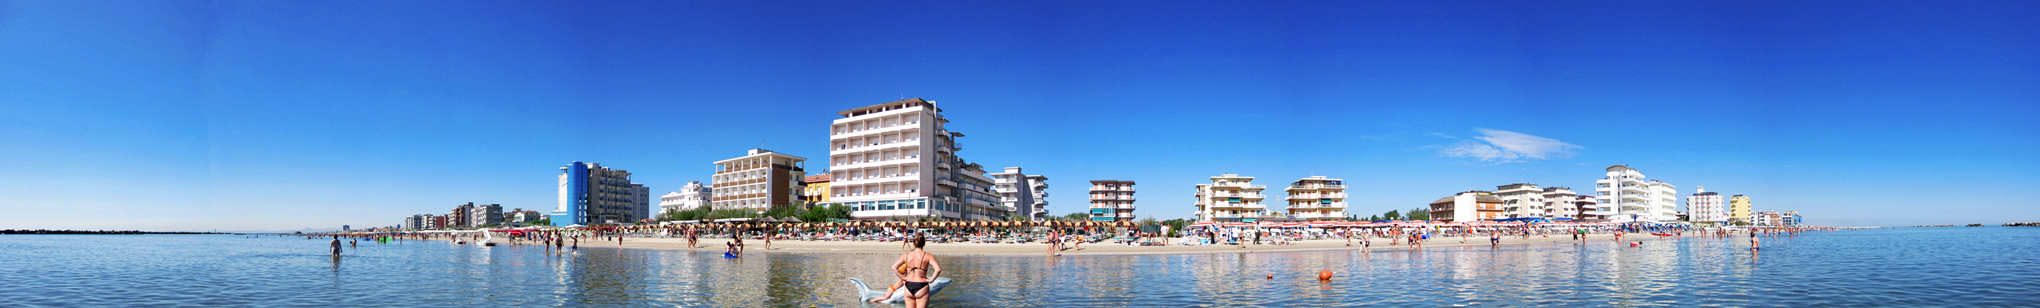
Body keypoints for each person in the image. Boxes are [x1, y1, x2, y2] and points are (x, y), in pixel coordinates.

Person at [890, 234, 942, 308]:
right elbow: (938, 269)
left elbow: (894, 267)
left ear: (913, 244)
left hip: (909, 285)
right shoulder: (928, 255)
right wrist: (931, 280)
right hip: (922, 285)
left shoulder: (906, 255)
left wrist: (903, 278)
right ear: (924, 244)